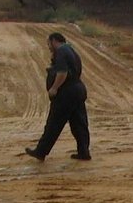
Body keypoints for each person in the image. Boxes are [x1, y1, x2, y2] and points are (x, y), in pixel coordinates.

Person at [25, 32, 90, 162]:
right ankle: (84, 152)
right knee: (79, 123)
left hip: (66, 93)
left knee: (53, 123)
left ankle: (41, 151)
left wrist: (54, 88)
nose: (48, 46)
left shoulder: (61, 52)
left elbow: (62, 72)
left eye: (48, 43)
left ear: (54, 41)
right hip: (77, 90)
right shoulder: (70, 50)